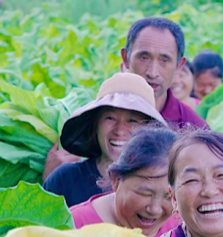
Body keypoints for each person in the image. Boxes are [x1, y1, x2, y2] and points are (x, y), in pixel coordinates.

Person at [44, 17, 209, 180]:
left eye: (164, 60)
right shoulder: (91, 117)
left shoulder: (193, 129)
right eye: (144, 57)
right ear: (125, 58)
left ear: (179, 65)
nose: (152, 72)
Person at [43, 72, 164, 207]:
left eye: (132, 121)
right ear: (96, 124)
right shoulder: (64, 179)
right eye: (110, 118)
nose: (120, 131)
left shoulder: (161, 185)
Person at [69, 127, 181, 237]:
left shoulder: (184, 227)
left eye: (168, 196)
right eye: (145, 193)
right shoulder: (74, 226)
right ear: (116, 180)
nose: (155, 209)